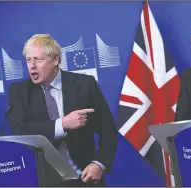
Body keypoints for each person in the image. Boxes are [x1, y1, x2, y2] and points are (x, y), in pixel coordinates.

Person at [7, 34, 118, 187]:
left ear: (56, 60)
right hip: (42, 180)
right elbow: (19, 131)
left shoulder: (84, 85)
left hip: (84, 177)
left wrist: (99, 164)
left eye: (39, 60)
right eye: (28, 59)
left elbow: (109, 131)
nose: (32, 65)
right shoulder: (19, 91)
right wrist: (62, 124)